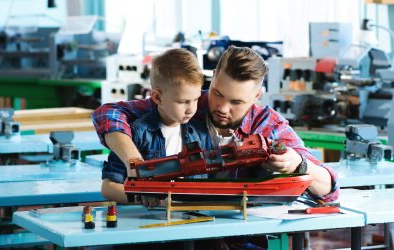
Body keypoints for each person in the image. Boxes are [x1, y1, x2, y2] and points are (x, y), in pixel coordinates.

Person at [93, 45, 339, 250]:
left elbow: (329, 192)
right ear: (211, 80)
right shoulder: (188, 105)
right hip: (184, 235)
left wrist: (298, 162)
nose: (222, 107)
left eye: (236, 102)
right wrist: (135, 161)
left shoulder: (268, 124)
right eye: (217, 93)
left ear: (256, 97)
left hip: (241, 241)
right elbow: (108, 112)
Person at [100, 48, 211, 205]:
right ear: (158, 97)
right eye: (182, 101)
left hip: (189, 220)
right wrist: (142, 198)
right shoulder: (135, 134)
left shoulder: (201, 133)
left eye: (196, 99)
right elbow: (108, 187)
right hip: (144, 220)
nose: (191, 109)